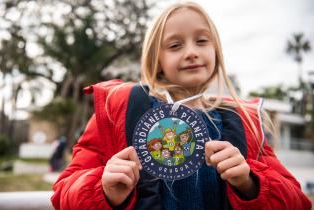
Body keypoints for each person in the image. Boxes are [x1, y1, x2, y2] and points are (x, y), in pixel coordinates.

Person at [51, 2, 312, 210]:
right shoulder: (118, 110)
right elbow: (64, 194)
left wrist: (250, 182)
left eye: (201, 41)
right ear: (157, 58)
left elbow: (297, 202)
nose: (191, 52)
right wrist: (105, 191)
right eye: (175, 45)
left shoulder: (245, 120)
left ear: (216, 51)